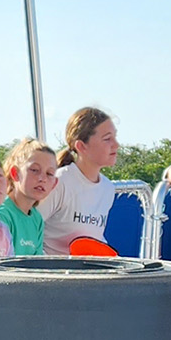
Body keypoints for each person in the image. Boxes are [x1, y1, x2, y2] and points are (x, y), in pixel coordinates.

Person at [38, 107, 120, 254]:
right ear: (81, 146)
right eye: (107, 139)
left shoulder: (108, 188)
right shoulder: (59, 181)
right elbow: (30, 228)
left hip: (89, 272)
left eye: (115, 137)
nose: (116, 145)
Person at [0, 139, 56, 259]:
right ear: (15, 173)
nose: (42, 178)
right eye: (34, 170)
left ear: (54, 183)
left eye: (49, 174)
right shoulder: (1, 215)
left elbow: (37, 264)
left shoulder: (37, 219)